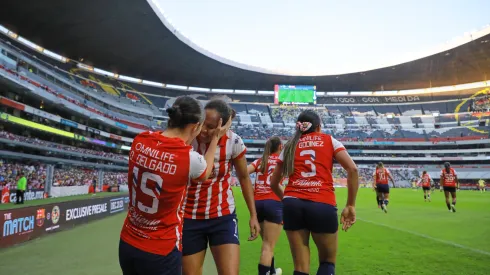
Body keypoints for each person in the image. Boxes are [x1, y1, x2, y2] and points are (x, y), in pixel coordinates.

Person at [119, 96, 231, 275]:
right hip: (161, 249)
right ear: (194, 126)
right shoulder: (187, 157)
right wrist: (216, 137)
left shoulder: (140, 140)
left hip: (128, 243)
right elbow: (206, 170)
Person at [270, 110, 359, 275]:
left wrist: (288, 199)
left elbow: (273, 183)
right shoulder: (329, 140)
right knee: (327, 262)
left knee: (300, 268)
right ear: (319, 127)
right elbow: (352, 169)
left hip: (292, 203)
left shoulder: (290, 145)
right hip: (321, 202)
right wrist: (351, 205)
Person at [182, 99, 260, 275]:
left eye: (211, 127)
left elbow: (244, 177)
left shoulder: (234, 141)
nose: (203, 130)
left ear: (222, 126)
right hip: (189, 216)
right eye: (202, 124)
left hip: (222, 216)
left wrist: (253, 215)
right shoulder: (187, 138)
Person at [247, 136, 284, 275]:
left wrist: (252, 190)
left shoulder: (260, 161)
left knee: (267, 244)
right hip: (274, 202)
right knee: (268, 246)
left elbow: (243, 172)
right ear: (280, 147)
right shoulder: (282, 162)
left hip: (258, 203)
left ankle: (272, 271)